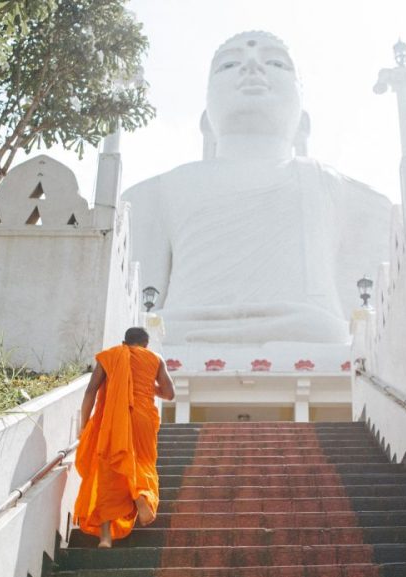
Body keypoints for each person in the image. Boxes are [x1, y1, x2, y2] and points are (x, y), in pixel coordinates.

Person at [123, 31, 392, 345]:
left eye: (276, 63)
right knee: (154, 329)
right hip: (183, 329)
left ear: (303, 123)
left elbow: (363, 304)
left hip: (307, 331)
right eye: (229, 65)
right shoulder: (159, 190)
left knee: (324, 329)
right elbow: (141, 302)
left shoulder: (335, 186)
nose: (252, 68)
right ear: (206, 122)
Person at [73, 327, 175, 548]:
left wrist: (84, 425)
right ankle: (140, 495)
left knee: (107, 473)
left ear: (124, 342)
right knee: (141, 462)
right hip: (143, 419)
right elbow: (169, 393)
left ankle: (105, 537)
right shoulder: (155, 359)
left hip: (114, 419)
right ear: (146, 344)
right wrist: (149, 385)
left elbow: (90, 391)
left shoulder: (111, 356)